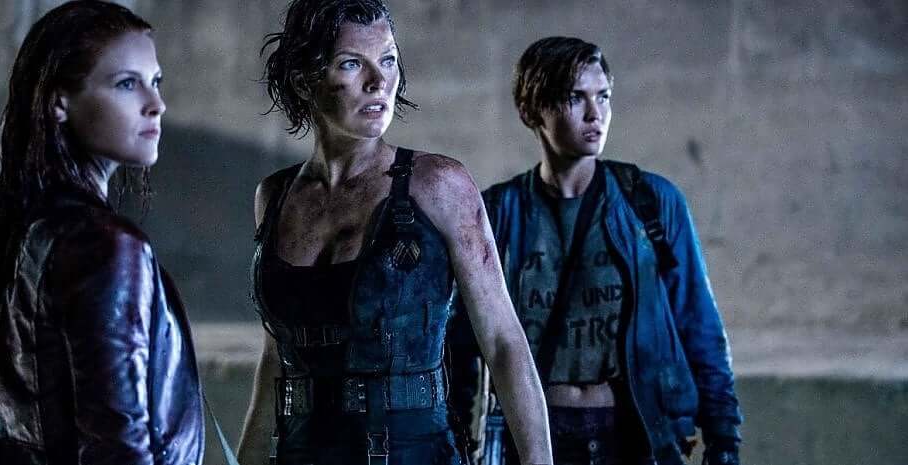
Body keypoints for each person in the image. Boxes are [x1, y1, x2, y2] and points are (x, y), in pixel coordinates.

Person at [235, 1, 553, 464]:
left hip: (414, 451)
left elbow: (504, 342)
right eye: (351, 63)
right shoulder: (275, 196)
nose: (378, 81)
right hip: (303, 452)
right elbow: (275, 357)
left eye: (387, 59)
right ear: (305, 79)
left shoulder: (439, 184)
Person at [448, 37, 743, 465]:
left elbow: (698, 326)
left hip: (633, 435)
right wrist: (457, 443)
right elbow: (461, 345)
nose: (595, 114)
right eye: (575, 98)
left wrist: (724, 439)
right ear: (532, 110)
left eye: (603, 96)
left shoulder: (651, 203)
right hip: (535, 438)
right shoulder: (496, 214)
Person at [0, 2, 204, 464]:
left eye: (156, 81)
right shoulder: (106, 246)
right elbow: (119, 448)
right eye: (127, 83)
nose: (156, 104)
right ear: (59, 102)